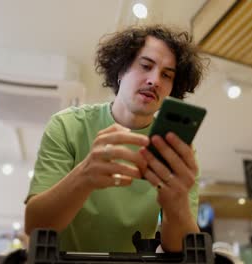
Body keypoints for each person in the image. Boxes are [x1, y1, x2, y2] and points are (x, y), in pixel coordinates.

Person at [24, 24, 208, 253]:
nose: (155, 80)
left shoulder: (177, 150)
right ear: (120, 71)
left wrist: (177, 203)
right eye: (146, 66)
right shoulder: (68, 125)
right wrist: (84, 176)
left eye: (166, 75)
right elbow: (35, 225)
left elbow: (179, 249)